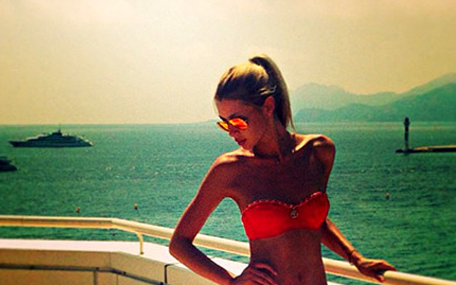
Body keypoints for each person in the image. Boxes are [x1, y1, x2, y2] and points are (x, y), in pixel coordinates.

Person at [169, 55, 396, 285]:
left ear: (268, 106)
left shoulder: (319, 152)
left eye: (237, 121)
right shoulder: (230, 169)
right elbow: (179, 244)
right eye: (224, 123)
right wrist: (232, 281)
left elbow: (312, 222)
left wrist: (356, 259)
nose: (231, 131)